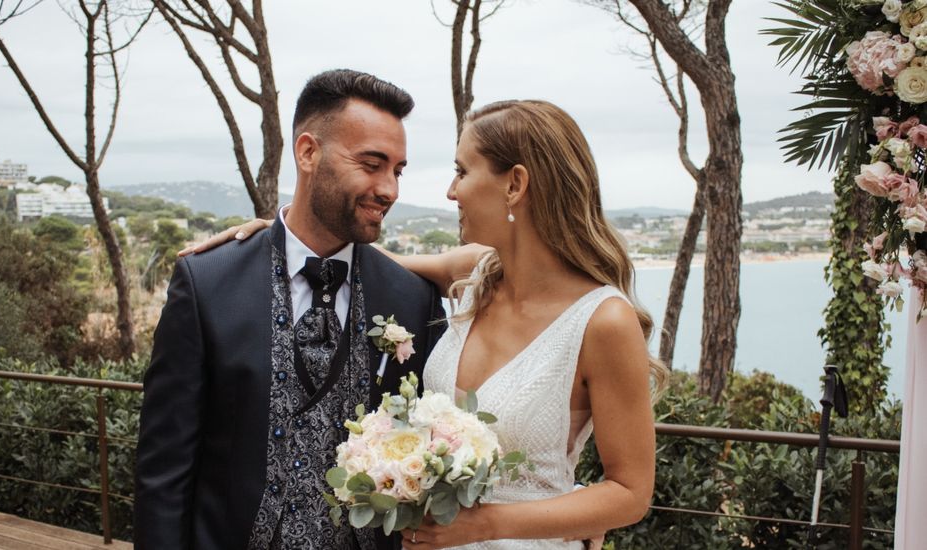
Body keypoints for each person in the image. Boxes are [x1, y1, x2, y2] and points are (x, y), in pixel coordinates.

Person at [211, 99, 666, 549]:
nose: (451, 191)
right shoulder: (474, 274)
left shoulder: (603, 321)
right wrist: (279, 236)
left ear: (515, 185)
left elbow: (629, 494)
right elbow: (368, 261)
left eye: (463, 172)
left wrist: (485, 525)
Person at [134, 69, 447, 550]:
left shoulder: (412, 297)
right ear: (307, 152)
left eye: (398, 170)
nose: (390, 189)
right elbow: (164, 470)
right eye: (371, 164)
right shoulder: (207, 284)